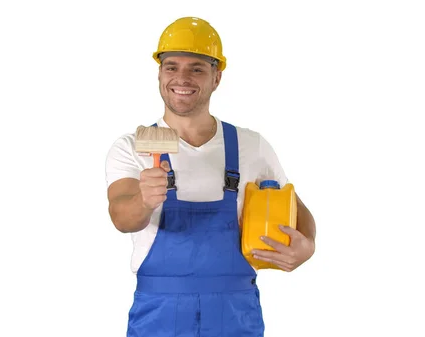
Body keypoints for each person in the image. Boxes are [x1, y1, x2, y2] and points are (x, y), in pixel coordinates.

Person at [105, 16, 316, 337]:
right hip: (160, 311)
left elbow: (299, 213)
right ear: (160, 73)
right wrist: (144, 200)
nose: (182, 77)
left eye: (197, 68)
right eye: (171, 66)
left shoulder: (251, 145)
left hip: (235, 310)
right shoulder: (132, 147)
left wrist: (307, 247)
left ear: (217, 77)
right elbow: (122, 217)